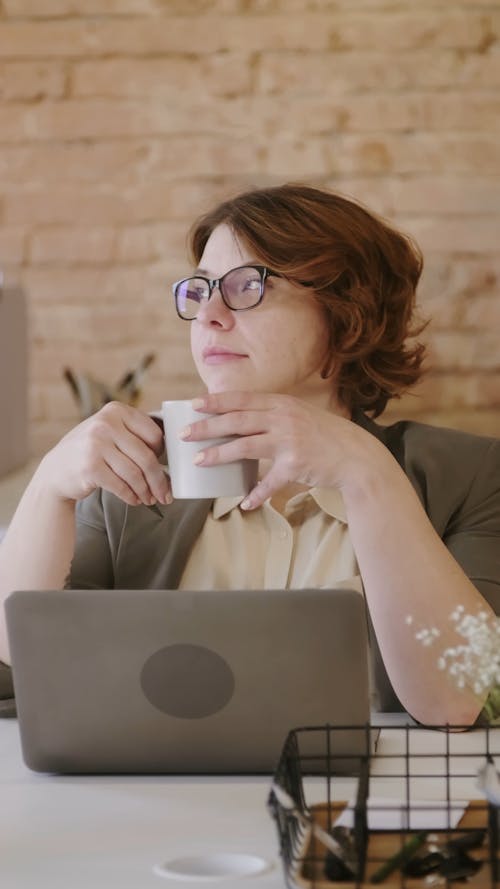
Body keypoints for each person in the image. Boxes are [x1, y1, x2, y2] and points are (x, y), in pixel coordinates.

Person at [0, 183, 499, 726]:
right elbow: (21, 669)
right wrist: (49, 487)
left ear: (347, 309)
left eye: (246, 286)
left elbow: (462, 700)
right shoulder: (129, 477)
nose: (208, 314)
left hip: (357, 806)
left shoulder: (472, 476)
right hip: (160, 803)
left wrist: (367, 473)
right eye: (201, 289)